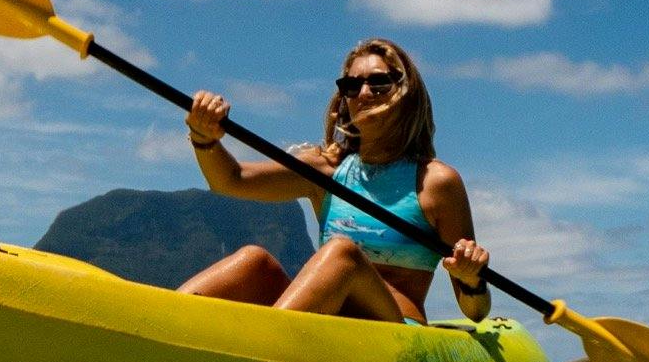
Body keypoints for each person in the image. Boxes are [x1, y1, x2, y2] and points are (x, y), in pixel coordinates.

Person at [175, 37, 492, 322]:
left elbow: (475, 311)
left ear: (405, 94)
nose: (364, 93)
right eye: (352, 86)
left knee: (343, 253)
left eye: (379, 83)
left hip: (396, 333)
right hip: (324, 323)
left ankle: (265, 346)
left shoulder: (437, 182)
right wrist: (205, 139)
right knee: (252, 260)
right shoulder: (326, 168)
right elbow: (232, 179)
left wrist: (471, 277)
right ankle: (163, 321)